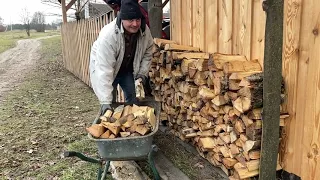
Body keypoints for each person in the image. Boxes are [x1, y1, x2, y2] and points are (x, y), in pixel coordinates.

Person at [89, 0, 154, 115]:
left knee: (133, 99)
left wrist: (142, 73)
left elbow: (148, 52)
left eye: (137, 19)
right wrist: (105, 101)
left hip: (126, 69)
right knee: (110, 102)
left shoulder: (145, 31)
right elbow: (103, 69)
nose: (135, 24)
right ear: (122, 19)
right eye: (130, 20)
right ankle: (110, 122)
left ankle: (132, 123)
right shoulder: (109, 36)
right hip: (108, 68)